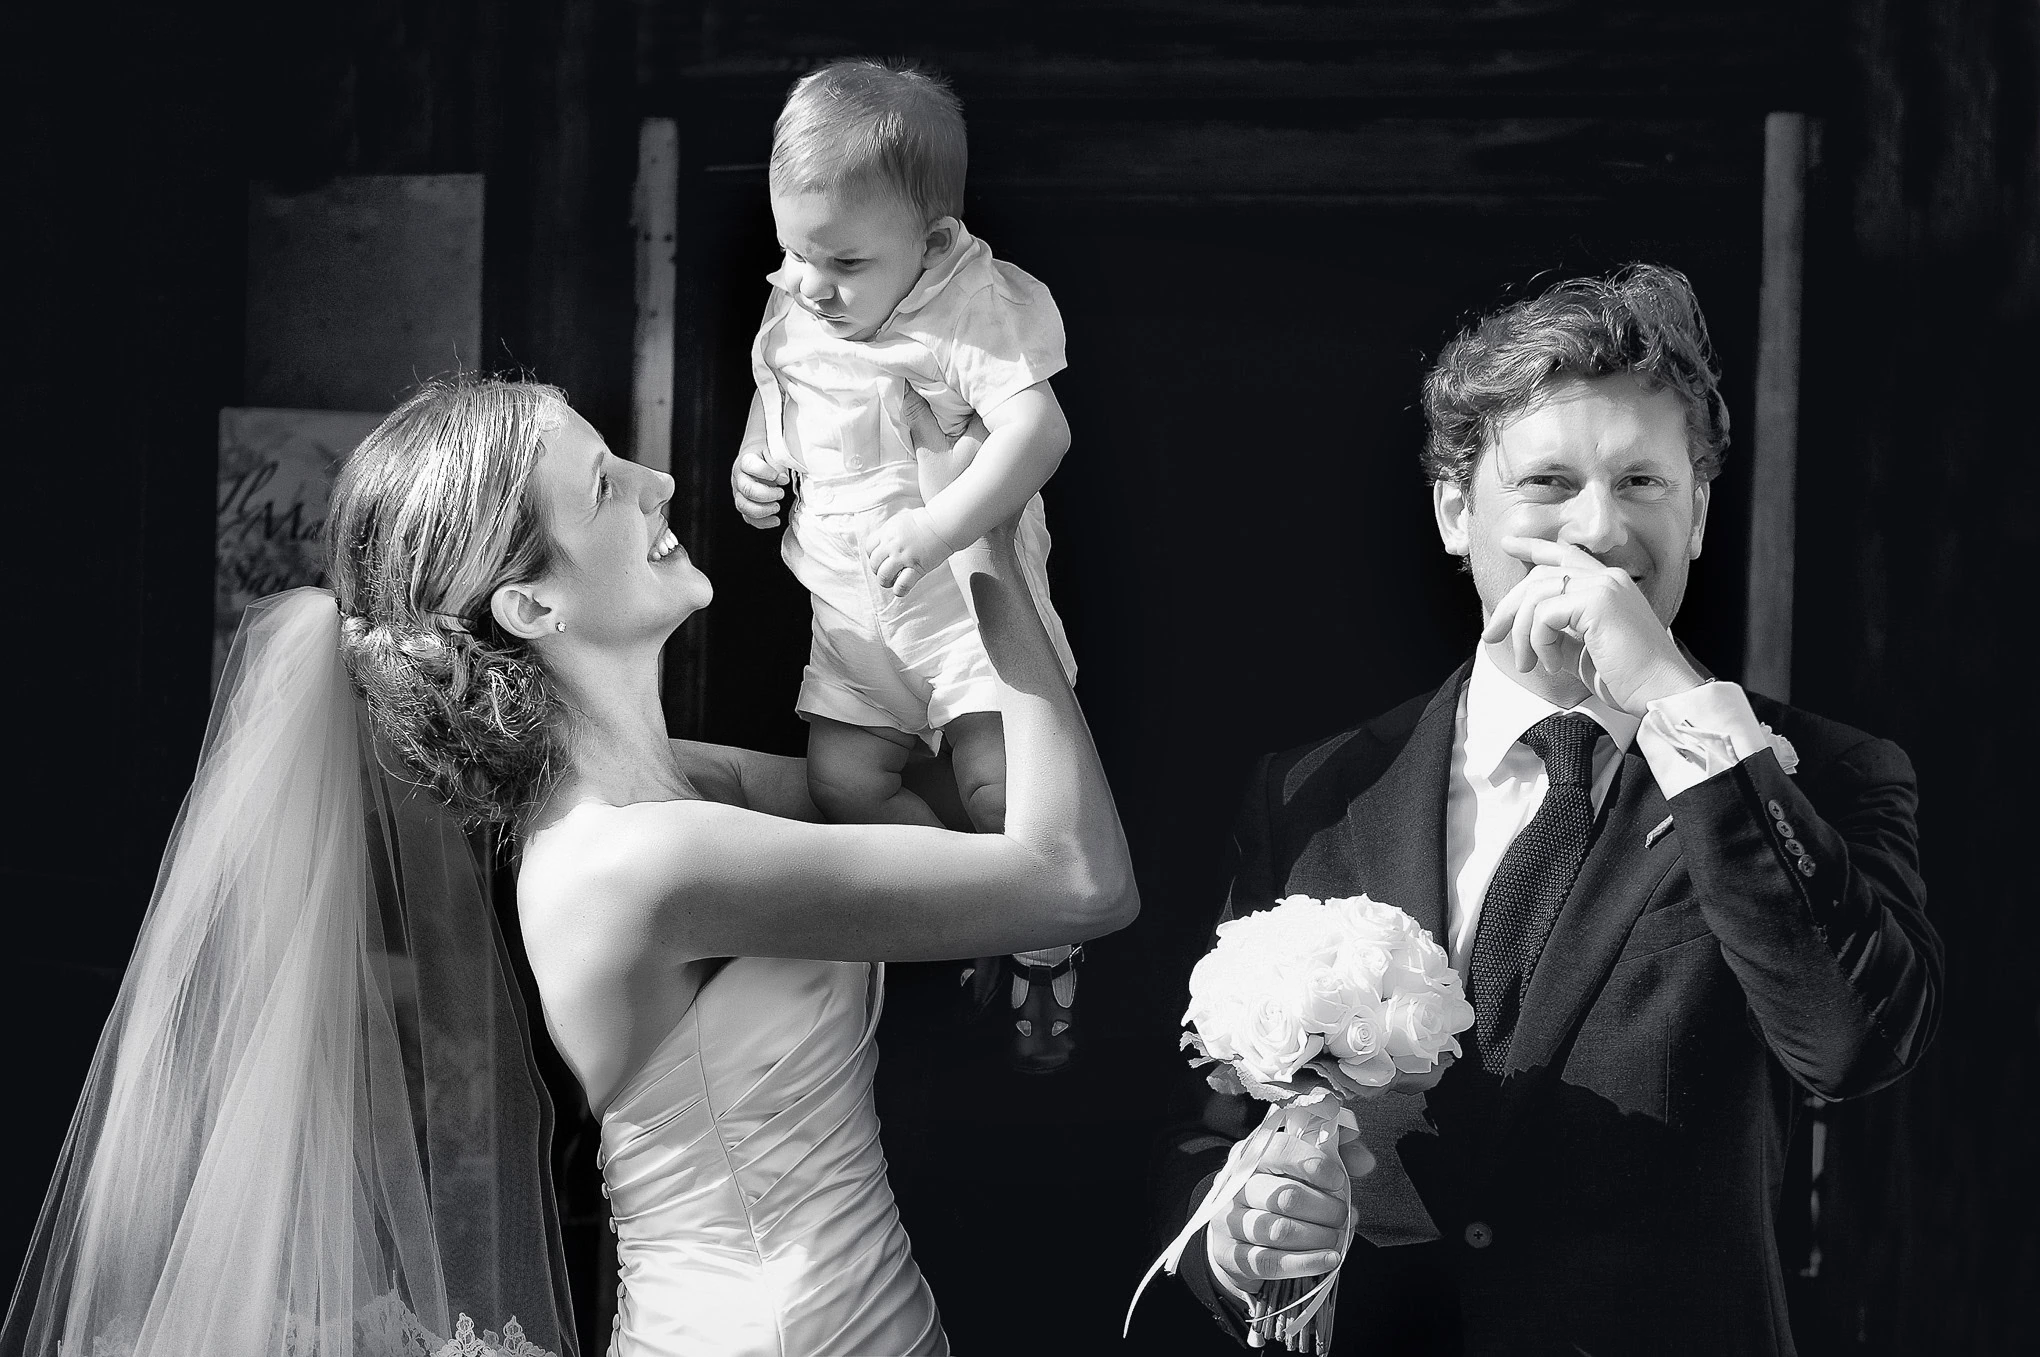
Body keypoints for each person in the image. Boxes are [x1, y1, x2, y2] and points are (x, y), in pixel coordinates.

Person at [5, 376, 1137, 1357]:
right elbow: (1078, 881)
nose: (660, 483)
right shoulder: (635, 861)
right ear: (531, 604)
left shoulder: (688, 789)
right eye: (604, 485)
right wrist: (985, 546)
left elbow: (973, 821)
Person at [1161, 265, 1940, 1355]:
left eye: (1643, 482)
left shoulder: (1830, 775)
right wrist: (1238, 1237)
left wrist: (1671, 698)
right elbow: (1203, 1123)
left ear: (1699, 512)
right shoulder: (1311, 794)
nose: (1598, 531)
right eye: (1549, 482)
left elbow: (1855, 1043)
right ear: (1455, 510)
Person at [727, 58, 1085, 1071]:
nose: (810, 284)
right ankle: (965, 904)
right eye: (793, 251)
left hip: (965, 607)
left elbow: (1039, 432)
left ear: (931, 241)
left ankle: (1044, 943)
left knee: (1000, 785)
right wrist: (757, 459)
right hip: (851, 606)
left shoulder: (972, 306)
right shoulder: (802, 304)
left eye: (843, 263)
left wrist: (942, 525)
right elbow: (778, 389)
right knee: (843, 781)